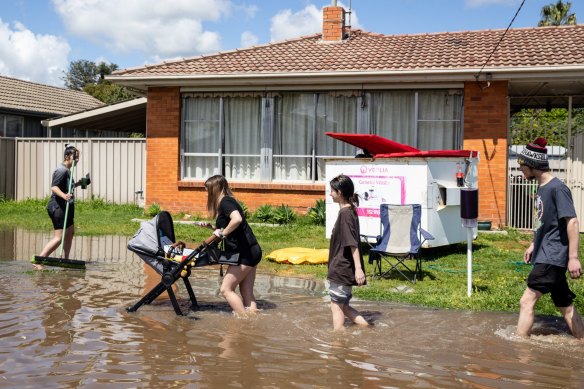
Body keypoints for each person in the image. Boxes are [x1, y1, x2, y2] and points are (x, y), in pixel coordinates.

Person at [516, 137, 584, 339]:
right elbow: (544, 221)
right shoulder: (542, 187)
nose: (520, 170)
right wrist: (533, 244)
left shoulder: (558, 188)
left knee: (526, 301)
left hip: (552, 255)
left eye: (522, 166)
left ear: (532, 165)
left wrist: (573, 258)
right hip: (545, 251)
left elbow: (571, 222)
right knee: (566, 306)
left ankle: (519, 349)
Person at [205, 175, 262, 316]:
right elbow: (231, 229)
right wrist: (212, 228)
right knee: (246, 291)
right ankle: (253, 321)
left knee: (226, 289)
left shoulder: (225, 201)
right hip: (252, 250)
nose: (206, 193)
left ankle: (243, 322)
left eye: (207, 190)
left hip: (245, 253)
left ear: (214, 189)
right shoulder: (228, 201)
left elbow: (236, 219)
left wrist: (222, 234)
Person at [328, 174, 369, 331]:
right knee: (343, 306)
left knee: (336, 306)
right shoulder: (350, 210)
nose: (330, 194)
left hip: (341, 268)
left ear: (339, 192)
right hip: (344, 268)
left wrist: (358, 269)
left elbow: (352, 243)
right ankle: (367, 328)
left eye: (332, 191)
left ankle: (338, 341)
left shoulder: (345, 214)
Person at [38, 144, 81, 260]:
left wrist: (78, 184)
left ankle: (66, 259)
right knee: (59, 237)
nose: (77, 160)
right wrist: (64, 196)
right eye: (75, 158)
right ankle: (39, 260)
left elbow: (67, 186)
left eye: (78, 158)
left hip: (67, 206)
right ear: (67, 156)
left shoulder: (68, 170)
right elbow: (54, 187)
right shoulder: (61, 170)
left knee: (70, 233)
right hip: (58, 207)